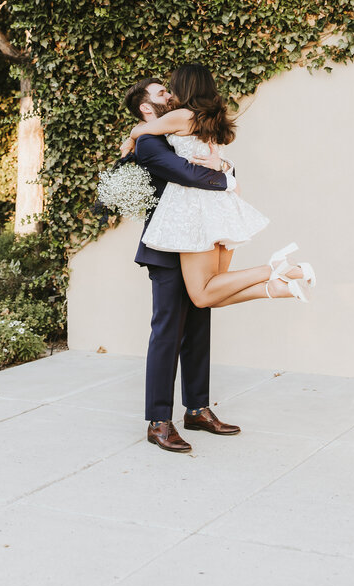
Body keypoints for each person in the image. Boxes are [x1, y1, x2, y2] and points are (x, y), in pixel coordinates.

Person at [124, 68, 315, 453]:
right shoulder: (149, 142)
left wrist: (225, 171)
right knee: (167, 333)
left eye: (169, 90)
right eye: (161, 93)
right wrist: (226, 178)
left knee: (199, 326)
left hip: (201, 234)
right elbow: (186, 173)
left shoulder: (185, 123)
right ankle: (159, 422)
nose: (169, 95)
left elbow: (215, 164)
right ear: (146, 108)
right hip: (167, 247)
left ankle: (197, 409)